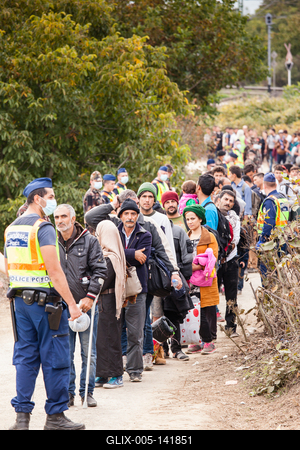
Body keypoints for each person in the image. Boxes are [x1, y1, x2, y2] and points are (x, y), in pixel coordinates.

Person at [4, 178, 84, 430]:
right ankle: (56, 417)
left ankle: (22, 419)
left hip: (20, 305)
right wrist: (72, 304)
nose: (53, 200)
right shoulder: (43, 228)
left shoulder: (12, 228)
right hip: (46, 305)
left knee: (26, 359)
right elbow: (55, 271)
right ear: (37, 199)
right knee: (55, 358)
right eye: (50, 196)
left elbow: (8, 268)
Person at [54, 203, 107, 407]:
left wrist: (90, 297)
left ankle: (88, 392)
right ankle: (68, 394)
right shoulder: (51, 241)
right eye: (57, 217)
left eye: (64, 216)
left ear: (73, 218)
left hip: (86, 306)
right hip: (61, 307)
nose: (60, 221)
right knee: (65, 353)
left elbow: (101, 271)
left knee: (89, 353)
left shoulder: (90, 241)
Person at [183, 205, 219, 354]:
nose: (190, 222)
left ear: (200, 219)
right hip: (190, 280)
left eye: (193, 218)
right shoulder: (186, 235)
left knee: (207, 309)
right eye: (187, 219)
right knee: (194, 309)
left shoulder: (209, 237)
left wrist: (194, 267)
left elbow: (212, 258)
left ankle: (208, 341)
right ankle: (198, 340)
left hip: (205, 279)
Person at [95, 220, 127, 389]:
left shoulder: (110, 258)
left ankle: (116, 374)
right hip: (102, 303)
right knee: (100, 339)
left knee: (111, 338)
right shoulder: (103, 255)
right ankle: (102, 373)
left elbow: (102, 281)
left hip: (108, 301)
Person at [216, 190, 240, 337]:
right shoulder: (212, 215)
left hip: (230, 261)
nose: (228, 203)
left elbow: (235, 239)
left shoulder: (234, 218)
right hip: (215, 262)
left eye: (231, 201)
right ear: (219, 199)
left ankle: (231, 327)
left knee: (231, 297)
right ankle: (210, 331)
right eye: (226, 199)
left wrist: (226, 255)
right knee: (212, 295)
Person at [256, 173, 289, 280]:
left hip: (271, 242)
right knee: (279, 273)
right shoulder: (283, 198)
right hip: (282, 239)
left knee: (267, 274)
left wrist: (263, 240)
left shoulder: (270, 201)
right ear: (275, 184)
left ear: (264, 186)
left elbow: (268, 223)